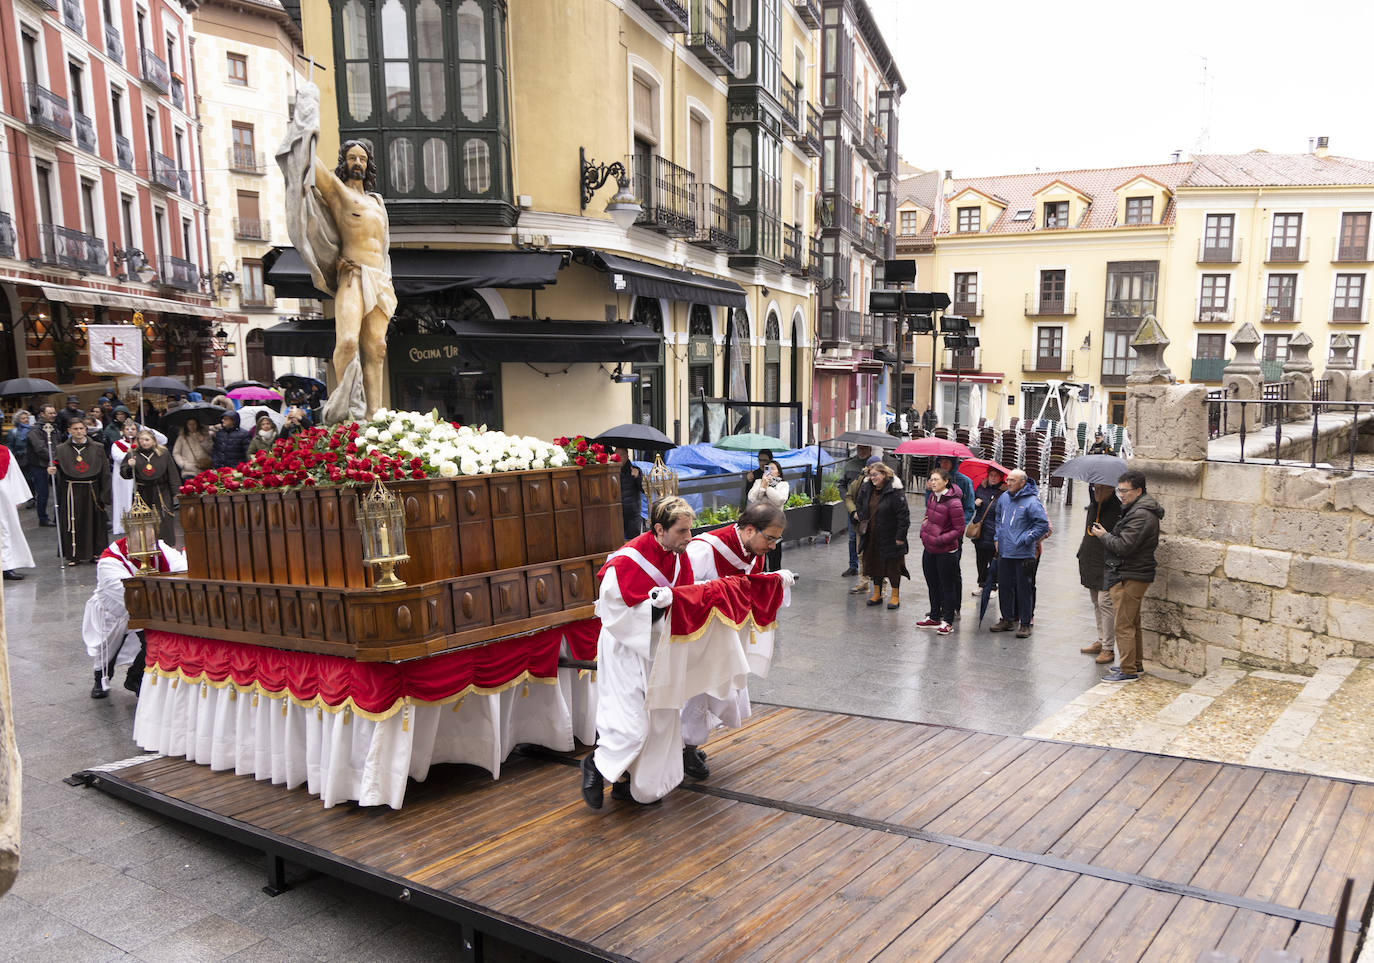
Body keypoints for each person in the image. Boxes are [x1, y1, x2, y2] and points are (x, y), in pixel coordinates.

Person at [280, 79, 397, 421]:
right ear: (344, 162)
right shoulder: (338, 193)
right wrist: (306, 113)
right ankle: (351, 409)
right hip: (352, 276)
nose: (357, 162)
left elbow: (385, 245)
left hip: (380, 277)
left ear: (368, 163)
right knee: (347, 342)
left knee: (377, 346)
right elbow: (305, 158)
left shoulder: (377, 202)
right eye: (351, 157)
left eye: (362, 158)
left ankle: (375, 412)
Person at [581, 496, 697, 808]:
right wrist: (652, 609)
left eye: (690, 530)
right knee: (631, 722)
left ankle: (629, 785)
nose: (689, 538)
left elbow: (684, 596)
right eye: (682, 531)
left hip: (657, 648)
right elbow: (612, 610)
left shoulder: (678, 555)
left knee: (658, 718)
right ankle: (596, 764)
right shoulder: (627, 560)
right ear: (659, 529)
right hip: (624, 647)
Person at [680, 501, 787, 780]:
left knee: (715, 690)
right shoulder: (705, 549)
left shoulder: (753, 551)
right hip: (697, 637)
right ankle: (683, 748)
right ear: (750, 529)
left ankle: (689, 742)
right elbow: (682, 589)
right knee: (696, 692)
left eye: (778, 539)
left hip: (726, 636)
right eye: (770, 538)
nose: (773, 546)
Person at [82, 535, 187, 699]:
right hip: (114, 611)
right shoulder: (109, 561)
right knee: (108, 652)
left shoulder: (159, 547)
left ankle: (135, 678)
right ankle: (101, 678)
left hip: (147, 610)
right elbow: (127, 593)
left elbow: (182, 569)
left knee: (154, 643)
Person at [1092, 470, 1164, 682]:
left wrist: (1103, 535)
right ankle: (1134, 664)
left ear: (1138, 490)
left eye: (1124, 491)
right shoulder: (1137, 509)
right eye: (1119, 490)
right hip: (1133, 571)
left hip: (1130, 573)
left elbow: (1124, 546)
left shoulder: (1141, 514)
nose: (1121, 495)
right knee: (1132, 622)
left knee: (1123, 624)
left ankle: (1128, 670)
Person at [989, 468, 1049, 638]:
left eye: (1012, 481)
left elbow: (1042, 525)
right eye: (1007, 480)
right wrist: (997, 537)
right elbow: (998, 519)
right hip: (1004, 551)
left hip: (1023, 554)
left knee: (1024, 589)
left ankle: (1025, 622)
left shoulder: (1032, 501)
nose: (1008, 483)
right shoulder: (1004, 498)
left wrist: (1026, 538)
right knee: (1005, 586)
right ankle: (1007, 618)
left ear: (1022, 483)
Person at [50, 419, 111, 566]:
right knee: (73, 522)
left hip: (92, 489)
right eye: (75, 428)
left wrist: (105, 494)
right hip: (71, 490)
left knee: (95, 521)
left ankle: (96, 553)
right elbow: (57, 466)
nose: (79, 431)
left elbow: (105, 471)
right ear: (69, 430)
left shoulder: (98, 447)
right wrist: (52, 470)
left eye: (81, 428)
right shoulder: (61, 449)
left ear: (86, 430)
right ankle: (74, 555)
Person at [1077, 484, 1123, 666]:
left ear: (1111, 490)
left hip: (1107, 563)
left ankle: (1108, 648)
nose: (1096, 492)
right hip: (1091, 561)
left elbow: (1119, 539)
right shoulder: (1094, 505)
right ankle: (1101, 639)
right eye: (1094, 488)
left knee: (1105, 603)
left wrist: (1104, 535)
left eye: (1100, 489)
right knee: (1096, 601)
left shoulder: (1117, 510)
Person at [854, 461, 909, 609]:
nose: (872, 478)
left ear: (884, 474)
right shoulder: (866, 488)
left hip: (891, 536)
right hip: (872, 535)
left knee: (893, 567)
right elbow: (859, 503)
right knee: (874, 565)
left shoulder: (895, 491)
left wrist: (900, 537)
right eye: (871, 475)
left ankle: (895, 596)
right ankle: (876, 593)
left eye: (875, 475)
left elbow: (903, 516)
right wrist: (861, 516)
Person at [916, 467, 963, 633]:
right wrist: (924, 532)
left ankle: (948, 621)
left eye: (936, 479)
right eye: (931, 479)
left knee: (947, 586)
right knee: (932, 584)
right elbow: (928, 518)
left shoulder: (954, 502)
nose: (933, 482)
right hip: (929, 548)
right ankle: (934, 616)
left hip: (946, 551)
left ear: (946, 481)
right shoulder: (932, 498)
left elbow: (959, 530)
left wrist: (939, 539)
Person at [120, 429, 181, 544]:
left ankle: (166, 547)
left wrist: (176, 492)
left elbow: (172, 473)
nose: (144, 442)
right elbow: (124, 474)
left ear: (153, 441)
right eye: (141, 440)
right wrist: (129, 466)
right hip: (143, 491)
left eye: (147, 440)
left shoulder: (163, 453)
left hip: (162, 491)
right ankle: (149, 548)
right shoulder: (132, 454)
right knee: (146, 521)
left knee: (164, 520)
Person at [933, 455, 975, 616]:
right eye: (941, 462)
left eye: (947, 462)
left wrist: (958, 527)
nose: (943, 464)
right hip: (936, 532)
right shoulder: (934, 480)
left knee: (952, 570)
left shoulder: (964, 481)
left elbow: (969, 507)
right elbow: (929, 502)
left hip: (953, 534)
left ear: (953, 463)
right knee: (936, 570)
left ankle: (954, 606)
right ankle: (939, 605)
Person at [847, 454, 882, 596]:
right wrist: (854, 511)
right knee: (861, 554)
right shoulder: (860, 480)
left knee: (880, 556)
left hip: (879, 526)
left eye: (877, 469)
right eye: (871, 468)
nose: (874, 472)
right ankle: (863, 583)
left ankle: (882, 588)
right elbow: (849, 496)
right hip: (862, 525)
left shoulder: (888, 483)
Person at [0, 439, 34, 580]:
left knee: (4, 529)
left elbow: (13, 474)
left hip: (2, 495)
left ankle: (6, 566)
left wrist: (17, 497)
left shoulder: (3, 451)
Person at [746, 460, 788, 570]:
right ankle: (761, 576)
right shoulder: (759, 481)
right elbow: (752, 498)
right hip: (760, 523)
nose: (770, 471)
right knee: (760, 555)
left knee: (774, 555)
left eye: (773, 469)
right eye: (768, 468)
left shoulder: (783, 484)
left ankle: (775, 578)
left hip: (775, 523)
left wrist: (767, 487)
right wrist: (762, 487)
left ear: (779, 472)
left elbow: (780, 500)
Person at [969, 467, 1005, 597]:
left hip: (994, 531)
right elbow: (971, 505)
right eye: (991, 475)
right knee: (980, 560)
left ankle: (993, 586)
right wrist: (975, 504)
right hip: (980, 530)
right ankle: (982, 584)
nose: (993, 477)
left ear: (1001, 478)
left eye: (996, 475)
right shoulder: (981, 488)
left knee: (993, 560)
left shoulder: (1004, 492)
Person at [839, 444, 872, 576]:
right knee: (853, 538)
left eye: (864, 448)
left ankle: (868, 567)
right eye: (859, 449)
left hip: (869, 510)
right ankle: (853, 566)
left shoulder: (875, 465)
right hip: (853, 508)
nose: (861, 451)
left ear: (870, 449)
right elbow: (841, 484)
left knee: (869, 538)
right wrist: (847, 500)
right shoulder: (850, 465)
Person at [24, 405, 60, 526]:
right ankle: (43, 518)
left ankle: (58, 516)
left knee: (58, 490)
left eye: (54, 413)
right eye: (50, 413)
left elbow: (57, 444)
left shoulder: (54, 427)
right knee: (43, 492)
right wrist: (55, 457)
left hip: (53, 463)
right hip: (40, 466)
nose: (53, 415)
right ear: (42, 414)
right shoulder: (34, 431)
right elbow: (40, 449)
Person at [110, 421, 139, 535]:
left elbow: (162, 439)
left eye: (133, 429)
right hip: (123, 477)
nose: (130, 431)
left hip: (138, 475)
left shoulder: (142, 442)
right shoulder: (117, 444)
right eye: (127, 429)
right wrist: (129, 452)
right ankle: (123, 525)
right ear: (123, 431)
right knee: (123, 500)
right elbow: (118, 458)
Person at [617, 447, 644, 537]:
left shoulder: (635, 470)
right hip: (617, 513)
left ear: (627, 456)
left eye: (621, 455)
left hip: (633, 514)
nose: (619, 457)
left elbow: (644, 489)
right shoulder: (611, 471)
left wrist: (637, 477)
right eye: (617, 455)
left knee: (633, 541)